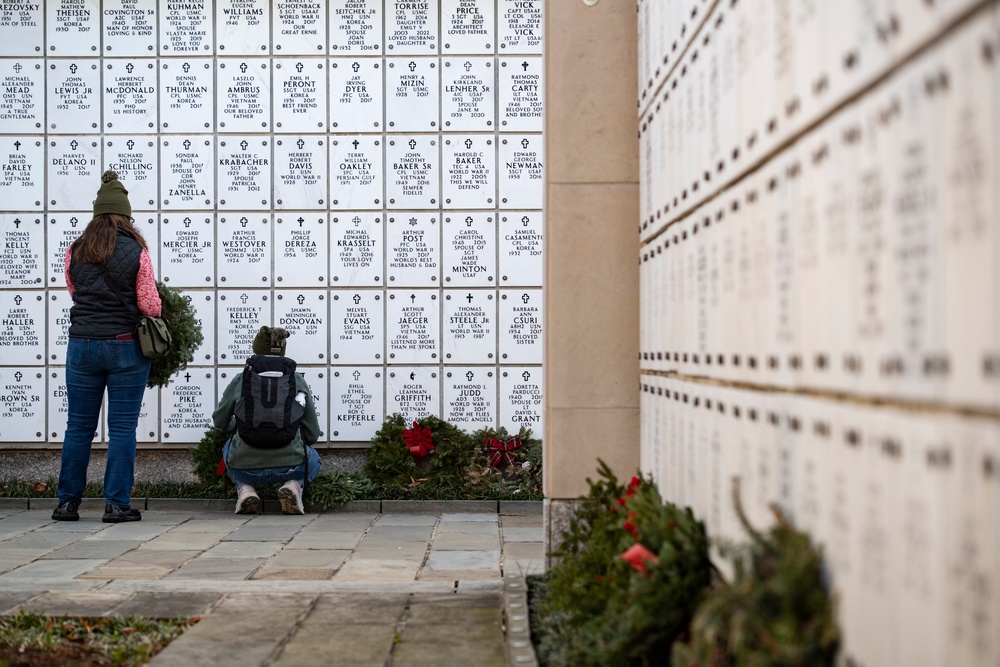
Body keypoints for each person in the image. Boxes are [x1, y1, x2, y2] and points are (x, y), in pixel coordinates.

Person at [52, 171, 162, 523]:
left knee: (78, 427)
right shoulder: (137, 251)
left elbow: (74, 291)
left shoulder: (75, 250)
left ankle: (67, 503)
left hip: (81, 347)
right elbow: (150, 306)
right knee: (123, 428)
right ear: (125, 216)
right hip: (125, 347)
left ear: (96, 215)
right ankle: (116, 505)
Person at [213, 326, 322, 514]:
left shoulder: (242, 379)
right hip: (291, 465)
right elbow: (312, 433)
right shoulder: (296, 380)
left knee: (228, 448)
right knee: (314, 459)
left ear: (255, 351)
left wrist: (237, 428)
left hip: (245, 467)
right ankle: (293, 485)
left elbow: (220, 420)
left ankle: (245, 489)